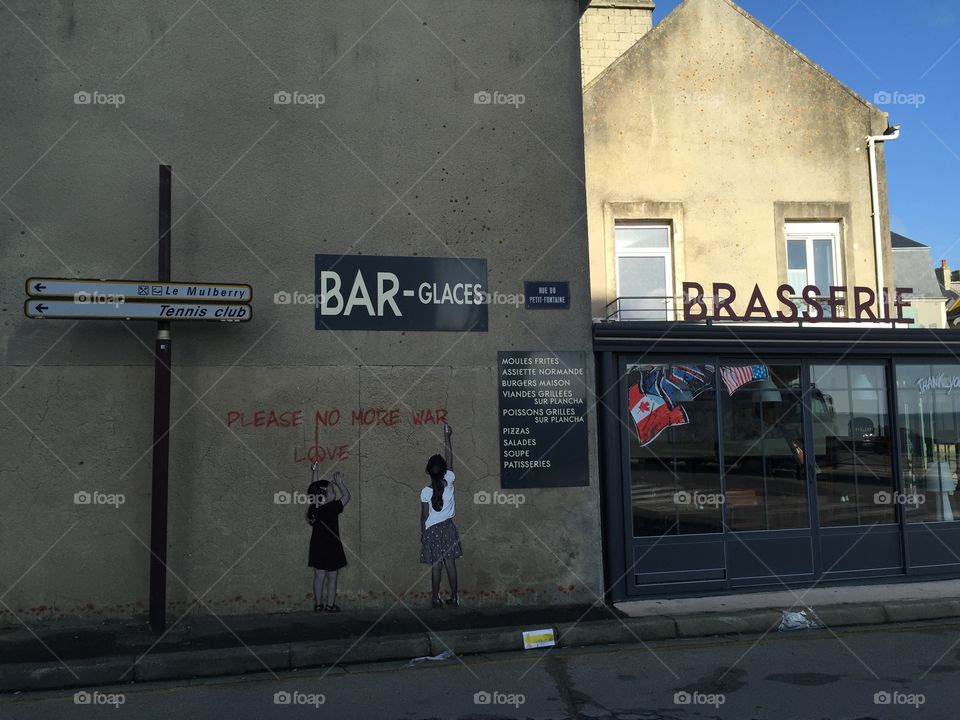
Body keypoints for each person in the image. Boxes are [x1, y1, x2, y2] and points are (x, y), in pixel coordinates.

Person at [419, 424, 463, 608]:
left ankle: (435, 598)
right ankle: (454, 597)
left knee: (436, 567)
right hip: (448, 528)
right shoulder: (450, 482)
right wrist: (447, 437)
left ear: (428, 471)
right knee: (450, 565)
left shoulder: (425, 492)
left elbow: (424, 516)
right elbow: (450, 458)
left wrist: (423, 534)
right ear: (445, 470)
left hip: (433, 531)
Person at [306, 463, 349, 612]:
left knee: (318, 577)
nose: (334, 492)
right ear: (324, 495)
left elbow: (314, 488)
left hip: (317, 547)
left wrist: (315, 471)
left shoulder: (314, 508)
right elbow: (347, 497)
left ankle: (318, 605)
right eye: (332, 490)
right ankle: (330, 606)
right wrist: (340, 483)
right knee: (332, 577)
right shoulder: (332, 508)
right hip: (332, 547)